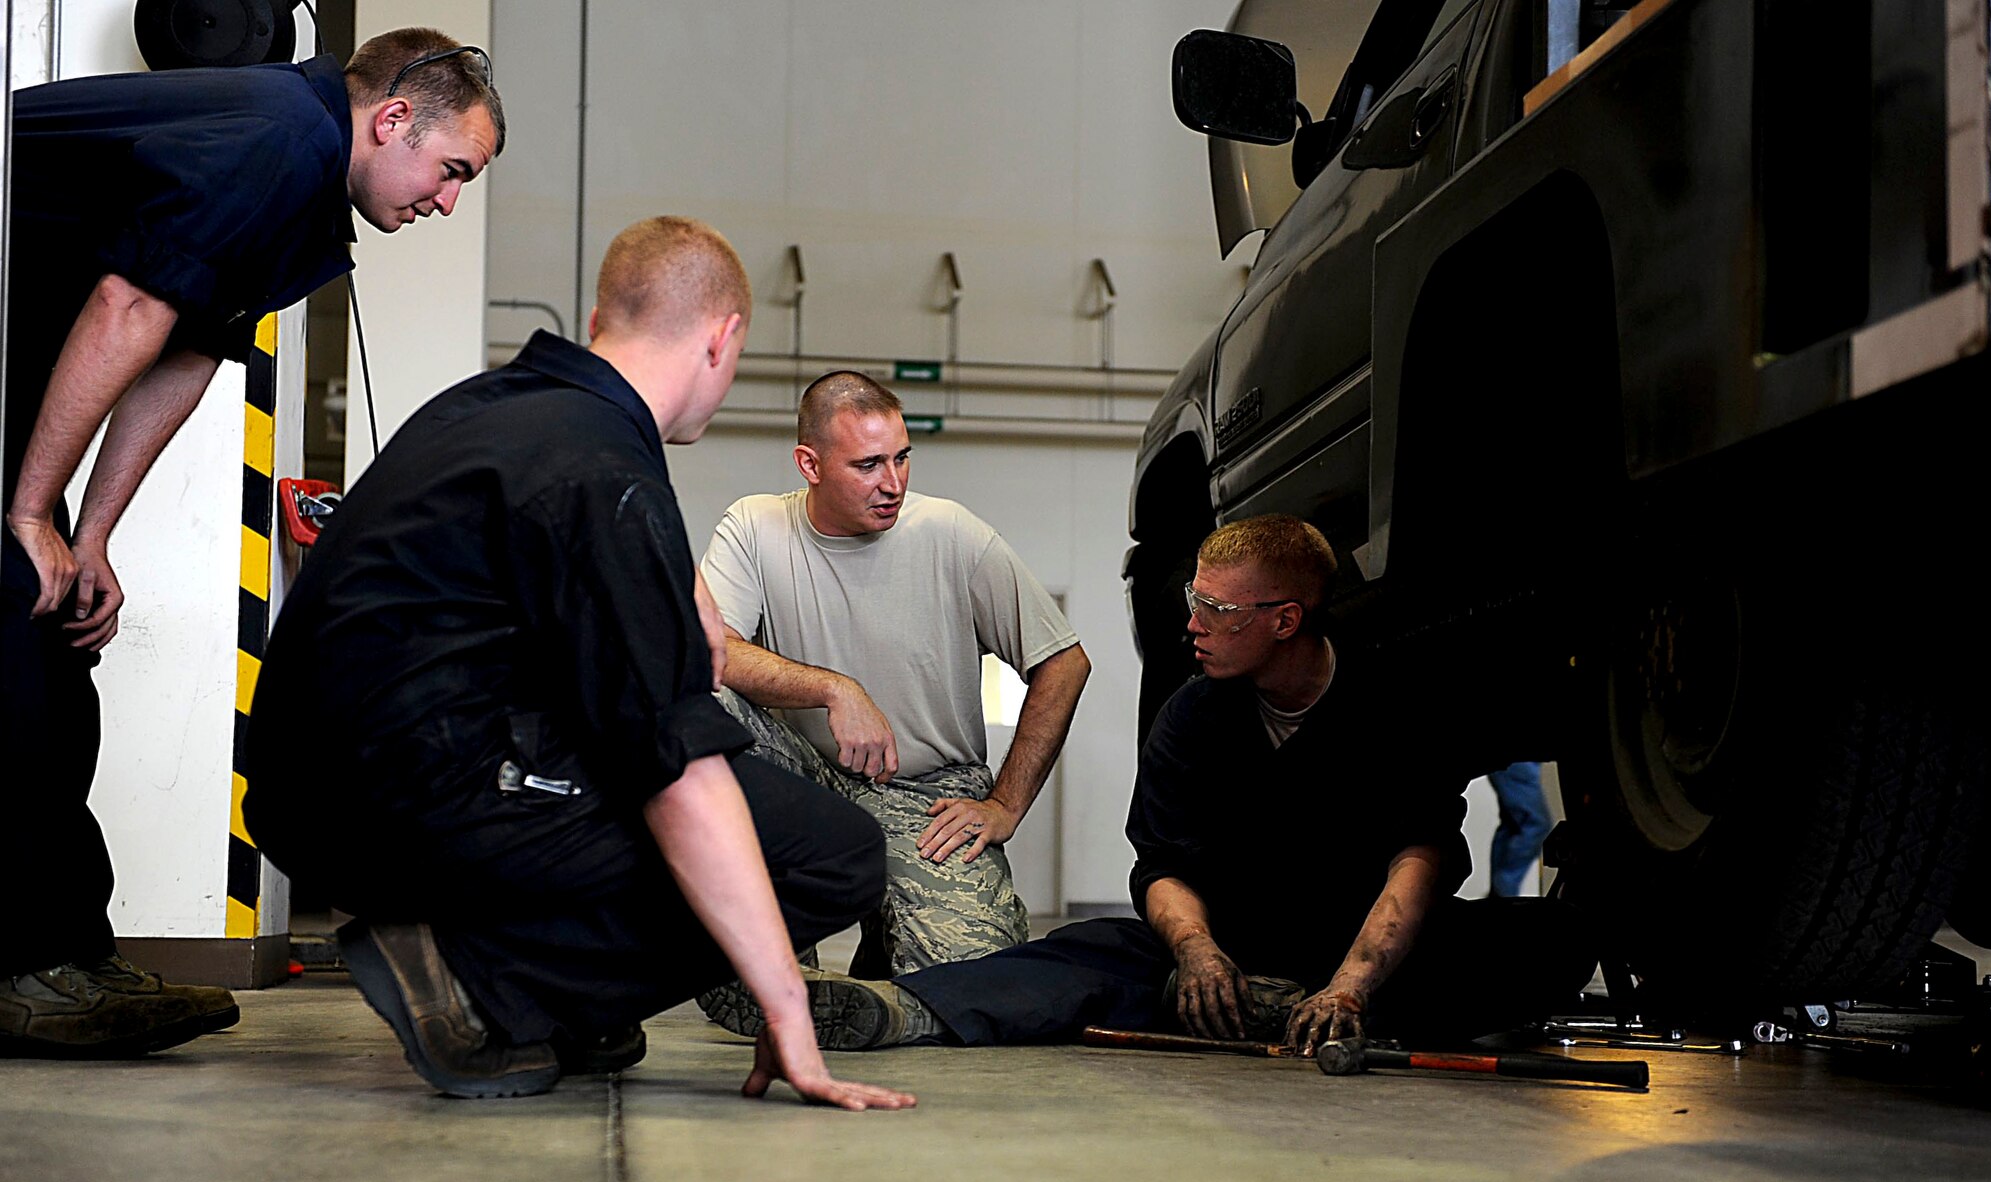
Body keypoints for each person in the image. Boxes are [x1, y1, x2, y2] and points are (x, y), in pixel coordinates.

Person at [241, 216, 913, 1109]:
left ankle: (559, 1002)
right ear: (723, 339)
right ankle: (481, 980)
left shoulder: (500, 408)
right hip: (401, 796)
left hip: (311, 794)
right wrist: (788, 1009)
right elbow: (679, 766)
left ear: (602, 317)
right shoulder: (601, 466)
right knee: (833, 851)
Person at [1, 28, 505, 1058]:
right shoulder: (281, 139)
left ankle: (63, 949)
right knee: (13, 627)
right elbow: (126, 302)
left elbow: (181, 347)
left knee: (55, 636)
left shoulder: (306, 188)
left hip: (20, 369)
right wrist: (28, 515)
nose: (448, 201)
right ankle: (23, 963)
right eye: (452, 171)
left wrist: (88, 535)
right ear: (394, 119)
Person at [723, 515, 1594, 1054]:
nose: (1193, 625)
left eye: (1218, 609)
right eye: (1193, 599)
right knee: (1078, 956)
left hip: (1366, 951)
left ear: (1285, 620)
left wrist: (1351, 985)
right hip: (1224, 950)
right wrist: (1198, 951)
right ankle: (899, 1012)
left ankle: (1304, 1008)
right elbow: (1162, 866)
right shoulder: (1194, 714)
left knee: (1545, 939)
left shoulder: (1391, 705)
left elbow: (1422, 859)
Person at [696, 371, 1091, 992]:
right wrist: (835, 689)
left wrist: (1005, 804)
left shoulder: (953, 534)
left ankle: (890, 937)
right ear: (810, 464)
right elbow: (711, 651)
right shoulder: (754, 526)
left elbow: (1063, 662)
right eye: (868, 464)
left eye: (902, 458)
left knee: (976, 988)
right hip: (802, 783)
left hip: (925, 793)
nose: (893, 483)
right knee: (702, 695)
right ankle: (777, 960)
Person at [1487, 762, 1552, 898]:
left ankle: (1500, 894)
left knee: (1513, 826)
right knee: (1535, 825)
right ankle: (1503, 893)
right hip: (1518, 762)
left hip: (1518, 763)